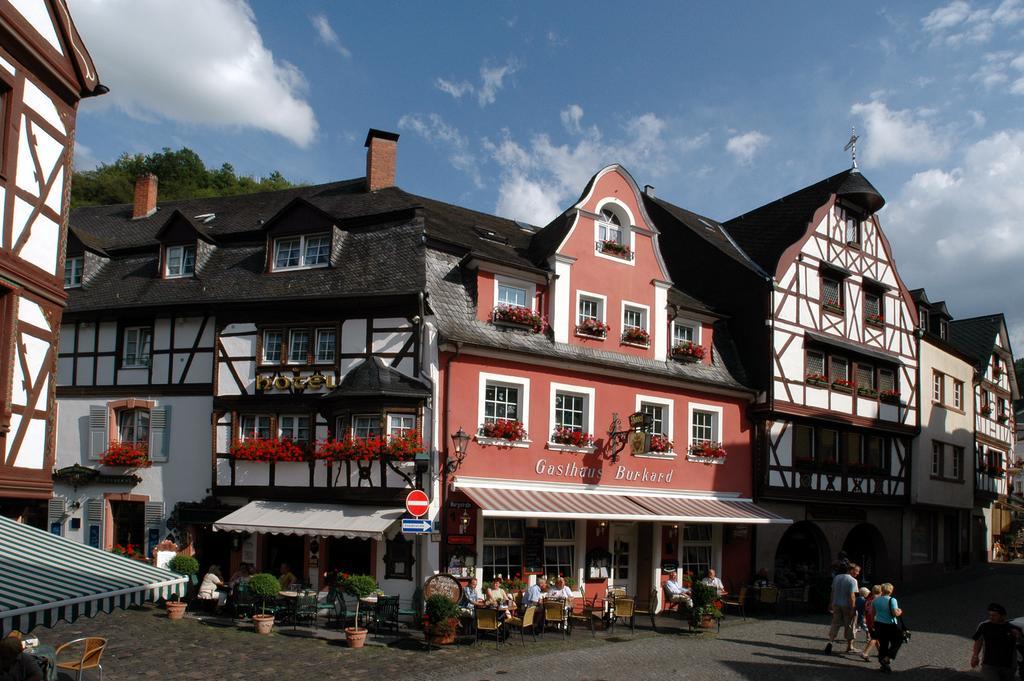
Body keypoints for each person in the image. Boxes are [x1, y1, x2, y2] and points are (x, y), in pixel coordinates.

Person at [971, 602, 1023, 681]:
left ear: (1003, 616)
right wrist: (975, 656)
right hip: (989, 664)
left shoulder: (1013, 628)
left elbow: (1021, 643)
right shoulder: (984, 626)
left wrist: (1018, 637)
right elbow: (978, 641)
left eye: (994, 615)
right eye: (990, 615)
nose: (991, 617)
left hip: (1008, 666)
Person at [825, 562, 860, 654]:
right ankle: (849, 646)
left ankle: (830, 642)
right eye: (857, 571)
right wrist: (853, 608)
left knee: (835, 624)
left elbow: (832, 591)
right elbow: (852, 596)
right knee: (850, 625)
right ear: (851, 570)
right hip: (847, 606)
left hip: (836, 604)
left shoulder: (837, 577)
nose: (858, 573)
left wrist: (831, 602)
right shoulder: (853, 580)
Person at [872, 582, 904, 673]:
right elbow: (894, 613)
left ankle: (883, 664)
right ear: (890, 590)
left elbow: (873, 613)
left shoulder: (876, 600)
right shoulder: (892, 600)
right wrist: (900, 611)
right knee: (898, 640)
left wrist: (874, 623)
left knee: (883, 644)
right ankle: (887, 658)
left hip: (879, 624)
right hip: (890, 625)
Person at [861, 585, 882, 661]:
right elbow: (876, 612)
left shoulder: (868, 599)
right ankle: (865, 653)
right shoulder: (878, 600)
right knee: (875, 637)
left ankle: (880, 652)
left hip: (868, 620)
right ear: (880, 591)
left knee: (876, 637)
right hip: (875, 620)